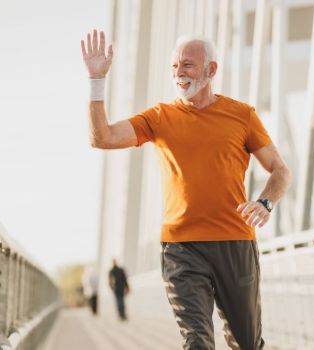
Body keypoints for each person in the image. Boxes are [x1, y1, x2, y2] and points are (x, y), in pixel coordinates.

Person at [81, 29, 291, 350]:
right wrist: (97, 82)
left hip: (234, 242)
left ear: (211, 70)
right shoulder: (159, 117)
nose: (179, 72)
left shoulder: (242, 116)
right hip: (182, 248)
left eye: (188, 65)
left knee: (247, 343)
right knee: (197, 341)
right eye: (175, 66)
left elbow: (280, 170)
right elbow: (103, 138)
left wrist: (265, 202)